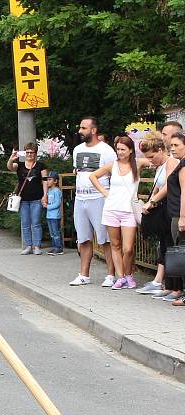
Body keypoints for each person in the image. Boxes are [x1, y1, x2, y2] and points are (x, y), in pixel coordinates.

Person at [89, 135, 148, 289]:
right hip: (111, 209)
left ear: (130, 151)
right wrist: (104, 192)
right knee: (115, 244)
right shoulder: (112, 165)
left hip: (129, 211)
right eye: (118, 149)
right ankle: (121, 276)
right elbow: (93, 176)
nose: (120, 152)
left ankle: (129, 274)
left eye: (123, 149)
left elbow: (156, 161)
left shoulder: (137, 163)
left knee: (128, 248)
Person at [68, 116, 117, 286]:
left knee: (105, 239)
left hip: (99, 198)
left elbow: (114, 174)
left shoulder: (107, 150)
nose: (80, 131)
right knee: (83, 238)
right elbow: (78, 172)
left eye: (83, 128)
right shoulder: (77, 149)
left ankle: (111, 275)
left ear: (93, 130)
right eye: (80, 128)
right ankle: (84, 274)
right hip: (81, 198)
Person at [137, 132, 180, 296]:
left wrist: (152, 201)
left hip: (171, 209)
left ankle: (175, 287)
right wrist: (150, 200)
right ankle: (167, 285)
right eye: (147, 158)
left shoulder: (171, 162)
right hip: (163, 212)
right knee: (164, 247)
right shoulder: (160, 166)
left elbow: (168, 186)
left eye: (152, 156)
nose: (150, 160)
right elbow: (157, 186)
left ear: (161, 149)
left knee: (171, 247)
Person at [7, 142, 48, 255]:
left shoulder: (41, 166)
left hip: (37, 198)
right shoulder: (19, 165)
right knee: (25, 223)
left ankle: (37, 246)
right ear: (25, 153)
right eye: (28, 152)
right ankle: (28, 246)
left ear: (36, 153)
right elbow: (10, 167)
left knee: (36, 223)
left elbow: (45, 181)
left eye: (32, 152)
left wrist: (45, 195)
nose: (30, 155)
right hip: (23, 199)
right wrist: (11, 158)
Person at [164, 131, 185, 306]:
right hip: (177, 213)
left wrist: (182, 217)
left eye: (176, 145)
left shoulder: (183, 165)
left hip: (180, 214)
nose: (172, 149)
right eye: (171, 145)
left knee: (183, 253)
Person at [45, 171, 64, 255]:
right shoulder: (49, 191)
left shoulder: (57, 191)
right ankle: (54, 247)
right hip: (49, 215)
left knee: (56, 232)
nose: (48, 181)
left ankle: (59, 248)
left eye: (50, 179)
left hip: (55, 216)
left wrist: (47, 206)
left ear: (55, 181)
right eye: (47, 180)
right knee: (52, 233)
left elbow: (57, 203)